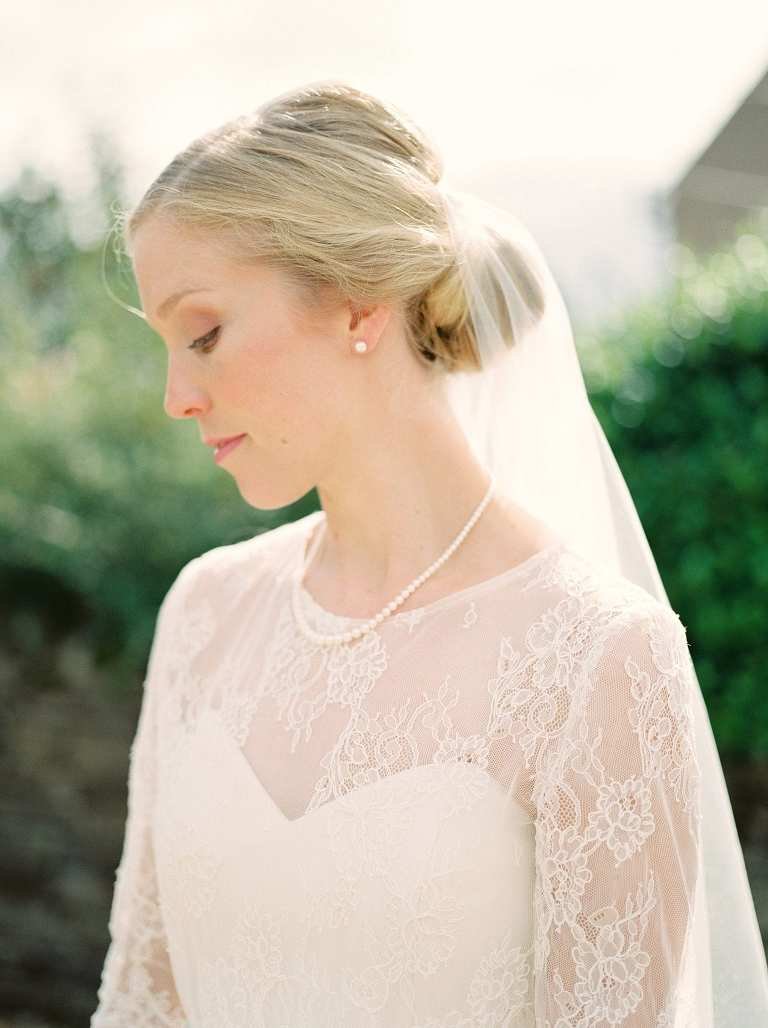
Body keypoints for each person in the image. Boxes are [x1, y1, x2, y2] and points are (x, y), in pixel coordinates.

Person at [91, 81, 768, 1026]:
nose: (176, 396)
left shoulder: (596, 658)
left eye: (203, 334)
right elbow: (141, 1002)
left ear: (359, 305)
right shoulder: (206, 612)